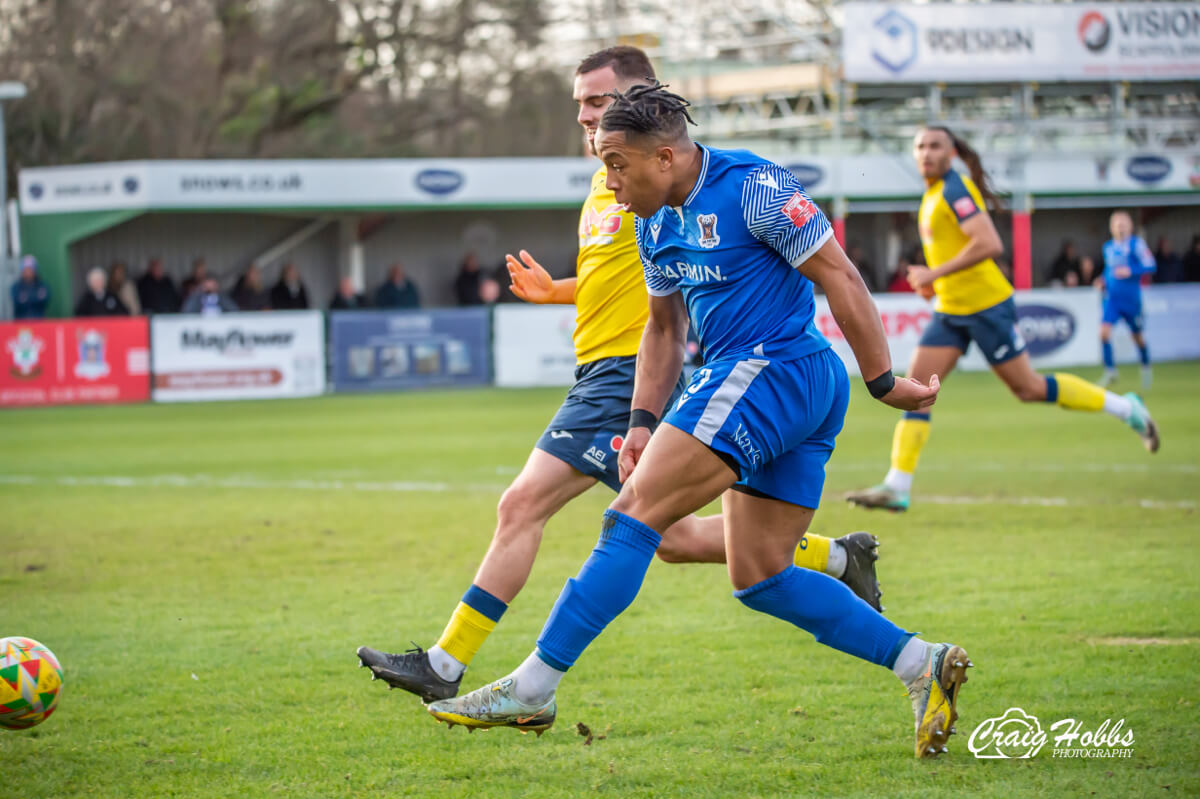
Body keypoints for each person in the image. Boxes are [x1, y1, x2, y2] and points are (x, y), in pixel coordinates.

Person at [425, 83, 969, 760]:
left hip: (772, 369)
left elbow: (842, 277)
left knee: (632, 517)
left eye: (618, 164)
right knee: (760, 575)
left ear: (665, 156)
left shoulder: (754, 187)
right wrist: (644, 421)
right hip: (772, 384)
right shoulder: (651, 219)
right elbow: (663, 327)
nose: (609, 180)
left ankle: (534, 685)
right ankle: (922, 661)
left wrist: (884, 378)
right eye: (603, 163)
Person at [356, 49, 883, 708]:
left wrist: (881, 374)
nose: (583, 115)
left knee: (533, 505)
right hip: (604, 370)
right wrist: (557, 293)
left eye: (597, 101)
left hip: (627, 374)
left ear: (642, 107)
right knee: (671, 538)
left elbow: (685, 293)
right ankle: (836, 558)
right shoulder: (610, 184)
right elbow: (621, 278)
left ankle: (452, 662)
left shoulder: (662, 181)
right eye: (578, 103)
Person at [845, 128, 1159, 514]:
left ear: (953, 154)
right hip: (951, 309)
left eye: (935, 146)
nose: (926, 153)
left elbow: (990, 243)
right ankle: (898, 484)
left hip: (987, 306)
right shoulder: (931, 196)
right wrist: (934, 282)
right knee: (918, 390)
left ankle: (1127, 408)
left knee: (1027, 388)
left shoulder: (954, 189)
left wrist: (933, 272)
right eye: (920, 147)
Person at [1099, 211, 1155, 389]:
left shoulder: (1136, 244)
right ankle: (1110, 372)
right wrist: (1102, 280)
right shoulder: (1108, 247)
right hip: (1112, 300)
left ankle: (1146, 368)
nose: (1120, 227)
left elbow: (1151, 265)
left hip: (1131, 301)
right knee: (1104, 333)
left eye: (1123, 224)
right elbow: (1109, 270)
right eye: (1117, 224)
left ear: (1130, 226)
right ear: (1111, 227)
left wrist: (1131, 270)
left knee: (1137, 337)